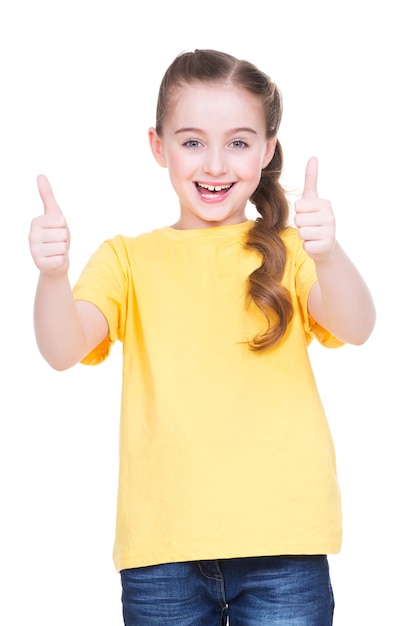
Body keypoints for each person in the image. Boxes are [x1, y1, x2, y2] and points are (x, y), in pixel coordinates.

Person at [28, 49, 376, 626]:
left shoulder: (290, 251)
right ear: (158, 146)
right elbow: (61, 349)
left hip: (282, 546)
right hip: (163, 554)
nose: (215, 164)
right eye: (192, 142)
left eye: (238, 143)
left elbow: (357, 326)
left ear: (266, 152)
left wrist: (329, 254)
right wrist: (51, 276)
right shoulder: (127, 259)